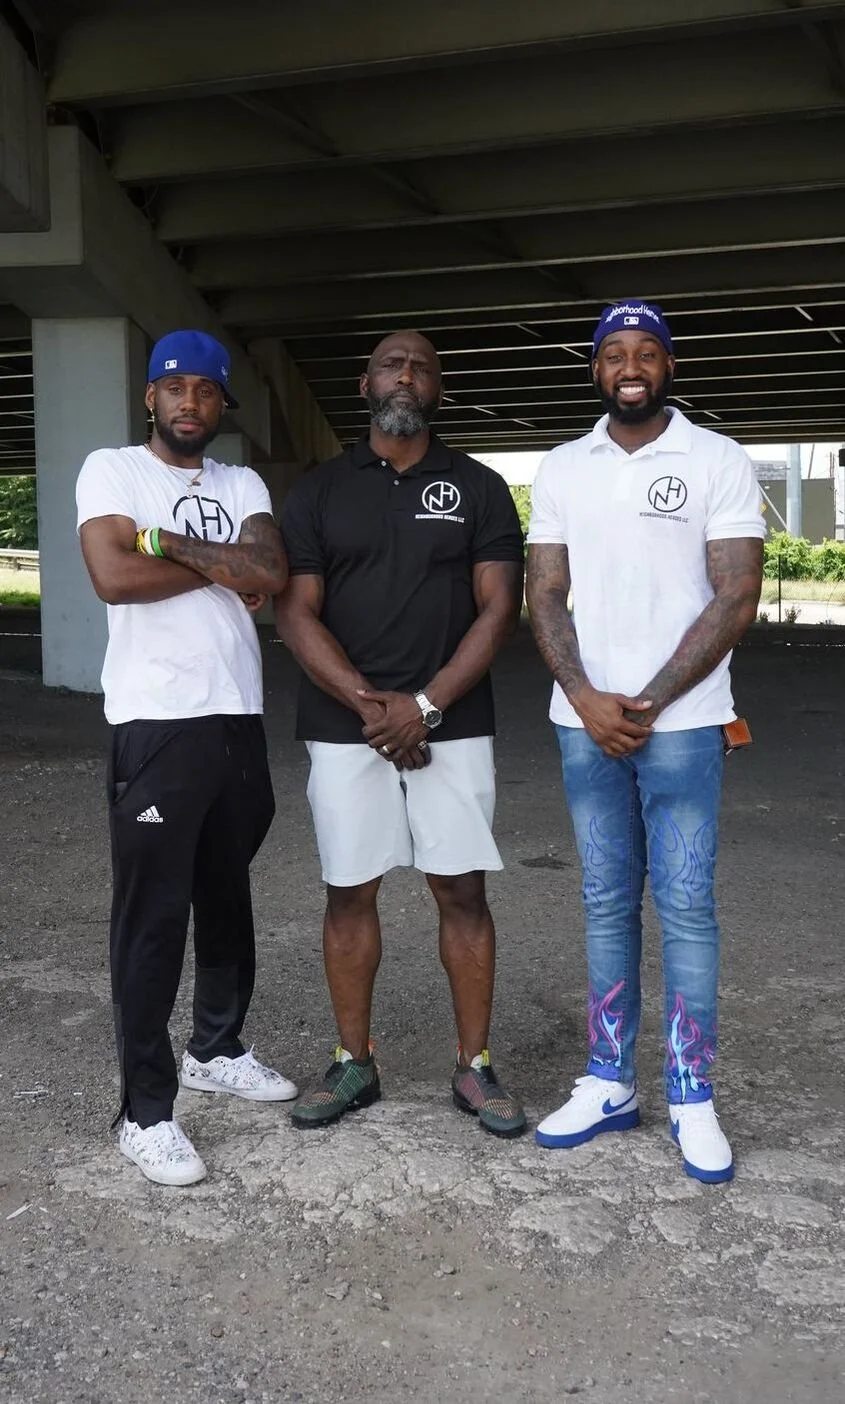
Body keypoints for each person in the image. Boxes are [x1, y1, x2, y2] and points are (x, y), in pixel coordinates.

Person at [526, 301, 765, 1183]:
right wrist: (586, 699)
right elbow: (543, 594)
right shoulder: (562, 466)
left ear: (668, 366)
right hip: (583, 725)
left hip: (687, 723)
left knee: (687, 905)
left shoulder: (716, 458)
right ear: (595, 369)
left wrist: (650, 701)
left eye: (647, 353)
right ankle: (608, 1081)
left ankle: (691, 1093)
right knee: (603, 902)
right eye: (614, 354)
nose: (630, 367)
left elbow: (736, 594)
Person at [275, 330, 526, 1137]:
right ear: (365, 384)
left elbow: (499, 608)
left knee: (462, 891)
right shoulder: (318, 491)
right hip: (344, 724)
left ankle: (474, 1066)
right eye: (392, 364)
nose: (406, 376)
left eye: (421, 367)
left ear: (437, 390)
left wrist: (426, 705)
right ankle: (353, 1062)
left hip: (453, 721)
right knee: (349, 889)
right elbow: (295, 611)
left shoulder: (479, 487)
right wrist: (374, 707)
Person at [76, 329, 297, 1188]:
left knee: (226, 894)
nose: (190, 402)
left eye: (206, 390)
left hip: (235, 717)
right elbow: (112, 576)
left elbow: (270, 567)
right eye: (176, 388)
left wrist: (164, 543)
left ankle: (216, 1048)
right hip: (156, 722)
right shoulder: (112, 470)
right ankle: (145, 1112)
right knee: (153, 917)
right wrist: (224, 566)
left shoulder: (242, 482)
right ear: (151, 397)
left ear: (220, 403)